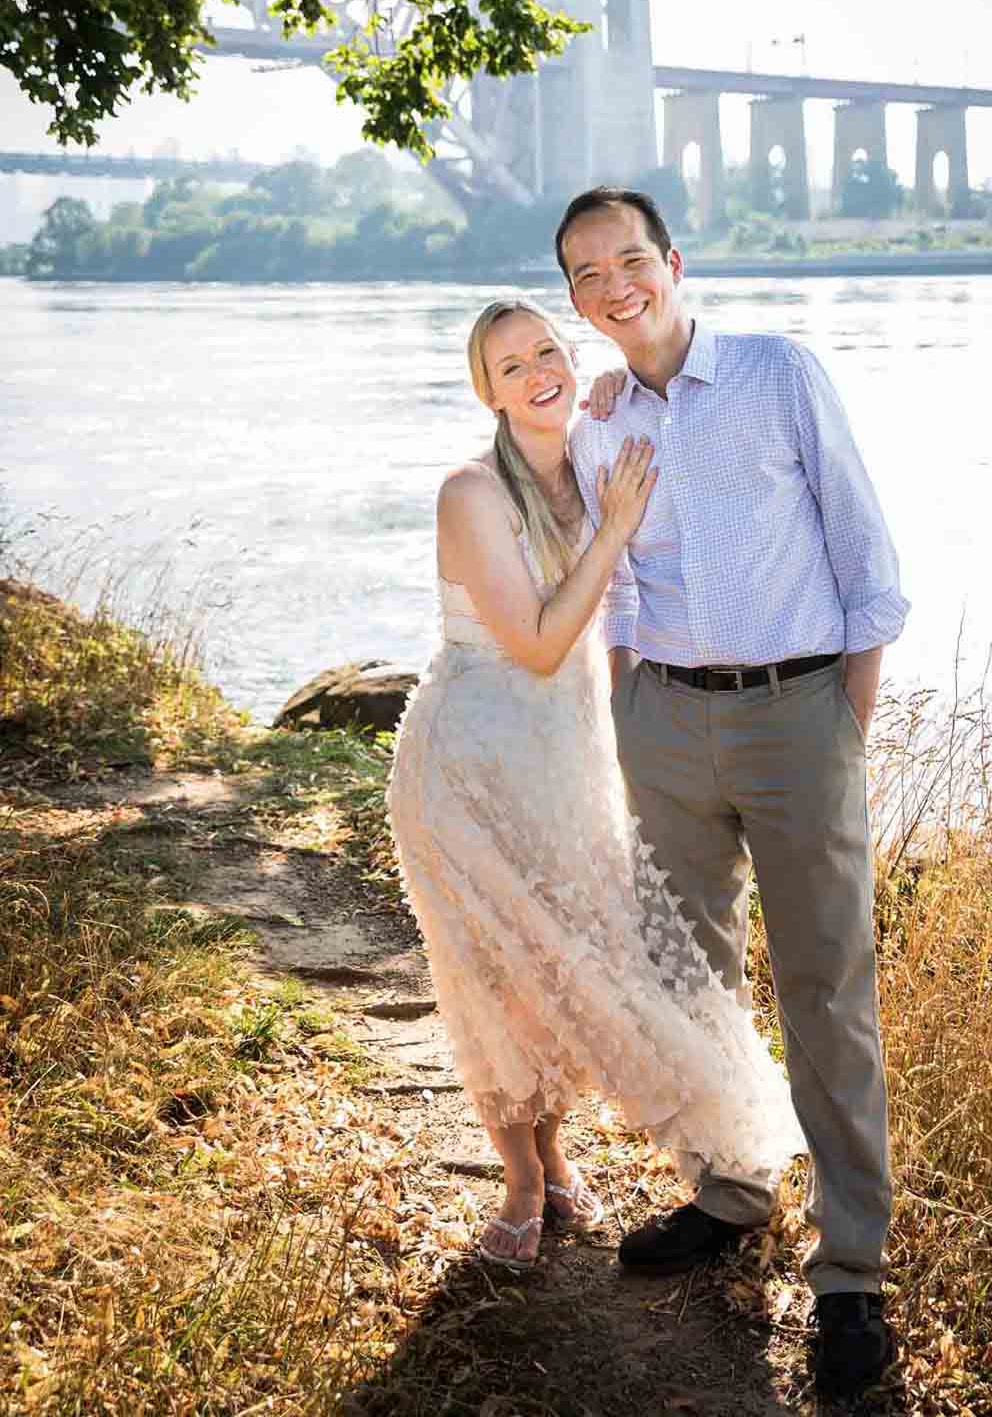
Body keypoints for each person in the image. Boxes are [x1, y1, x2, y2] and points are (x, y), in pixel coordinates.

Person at [561, 188, 909, 1400]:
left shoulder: (777, 372)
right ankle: (733, 1187)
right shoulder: (598, 422)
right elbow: (608, 582)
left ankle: (853, 1271)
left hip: (798, 713)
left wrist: (840, 720)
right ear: (574, 300)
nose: (616, 286)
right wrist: (624, 715)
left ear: (672, 263)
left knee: (827, 989)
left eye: (631, 260)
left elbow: (867, 560)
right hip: (665, 717)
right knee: (691, 974)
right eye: (589, 273)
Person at [386, 297, 802, 1274]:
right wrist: (613, 532)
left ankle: (581, 1152)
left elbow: (671, 443)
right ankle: (524, 1182)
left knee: (570, 965)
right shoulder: (471, 494)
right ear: (484, 390)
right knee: (494, 974)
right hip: (468, 765)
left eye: (548, 351)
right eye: (510, 364)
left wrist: (616, 394)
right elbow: (533, 643)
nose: (537, 372)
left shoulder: (588, 450)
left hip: (565, 758)